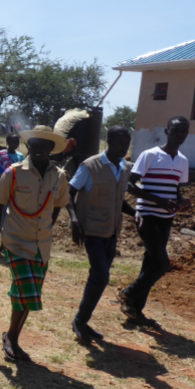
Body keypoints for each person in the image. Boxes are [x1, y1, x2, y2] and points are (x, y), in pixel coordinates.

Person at [0, 126, 70, 362]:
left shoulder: (59, 176)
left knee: (28, 296)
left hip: (42, 244)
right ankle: (11, 338)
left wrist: (47, 229)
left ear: (51, 148)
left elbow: (58, 206)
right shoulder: (13, 173)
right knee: (27, 292)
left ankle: (11, 335)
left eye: (44, 144)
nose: (38, 148)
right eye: (34, 143)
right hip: (16, 241)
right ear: (28, 146)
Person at [118, 116, 191, 329]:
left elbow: (175, 187)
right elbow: (130, 186)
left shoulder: (182, 161)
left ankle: (135, 311)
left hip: (166, 219)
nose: (180, 135)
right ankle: (128, 294)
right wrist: (159, 200)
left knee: (150, 263)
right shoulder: (150, 155)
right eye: (176, 130)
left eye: (184, 131)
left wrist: (180, 201)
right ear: (167, 131)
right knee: (162, 264)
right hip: (147, 215)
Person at [66, 126, 135, 342]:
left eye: (127, 143)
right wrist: (74, 220)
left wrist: (135, 214)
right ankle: (80, 320)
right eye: (120, 143)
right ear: (108, 141)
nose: (124, 148)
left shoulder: (124, 168)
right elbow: (69, 193)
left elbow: (117, 199)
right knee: (101, 275)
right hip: (92, 229)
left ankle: (82, 321)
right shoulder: (91, 166)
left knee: (99, 277)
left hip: (111, 230)